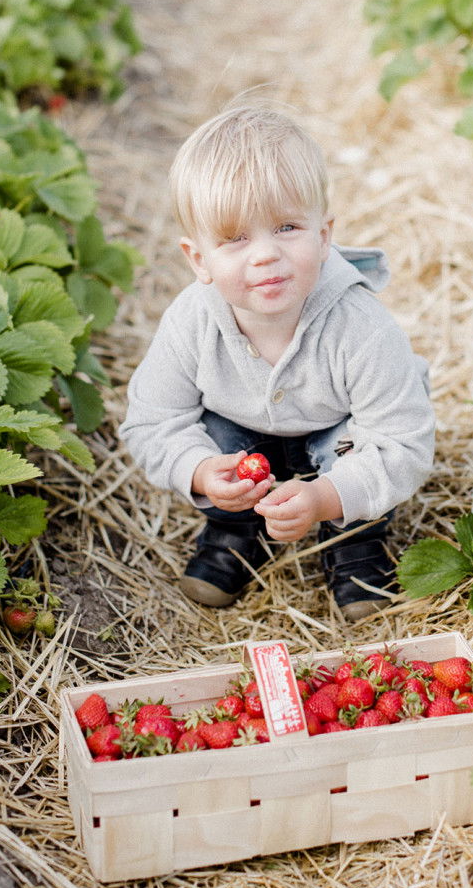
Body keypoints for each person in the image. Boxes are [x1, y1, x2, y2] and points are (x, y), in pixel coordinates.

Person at [118, 103, 435, 623]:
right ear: (198, 258)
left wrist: (328, 498)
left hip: (336, 439)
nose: (265, 255)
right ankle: (234, 526)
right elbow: (151, 420)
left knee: (356, 446)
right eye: (236, 238)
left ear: (324, 235)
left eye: (287, 226)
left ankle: (353, 535)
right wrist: (199, 472)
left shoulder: (360, 327)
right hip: (243, 446)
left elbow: (403, 442)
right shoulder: (190, 323)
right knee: (213, 436)